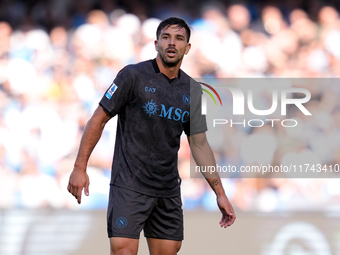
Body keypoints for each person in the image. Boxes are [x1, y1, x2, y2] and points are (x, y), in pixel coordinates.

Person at [67, 17, 235, 255]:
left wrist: (220, 193)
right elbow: (99, 118)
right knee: (123, 250)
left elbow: (199, 143)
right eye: (166, 37)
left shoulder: (193, 91)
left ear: (187, 48)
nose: (171, 43)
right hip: (129, 185)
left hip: (167, 189)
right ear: (156, 43)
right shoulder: (132, 76)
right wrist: (79, 167)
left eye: (179, 39)